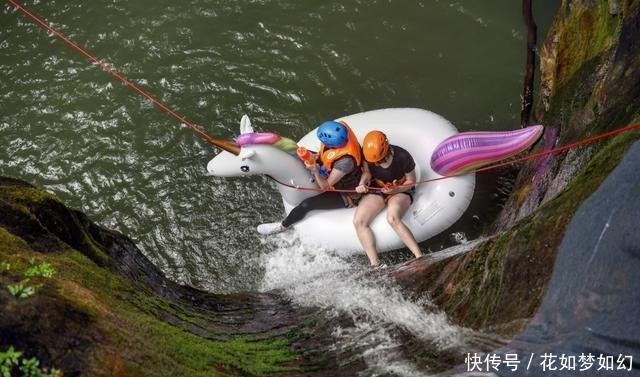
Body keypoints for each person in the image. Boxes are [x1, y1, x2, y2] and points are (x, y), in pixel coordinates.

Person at [257, 120, 366, 235]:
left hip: (346, 193)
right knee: (301, 155)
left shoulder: (345, 162)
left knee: (307, 205)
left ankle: (282, 226)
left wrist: (315, 170)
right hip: (333, 168)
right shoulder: (342, 132)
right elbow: (327, 155)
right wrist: (316, 157)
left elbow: (325, 186)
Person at [353, 130, 423, 267]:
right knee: (359, 221)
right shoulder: (368, 155)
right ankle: (375, 264)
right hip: (378, 188)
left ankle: (419, 256)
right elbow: (367, 172)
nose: (377, 164)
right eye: (375, 162)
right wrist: (362, 183)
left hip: (400, 188)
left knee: (392, 218)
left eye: (379, 160)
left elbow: (411, 181)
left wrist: (396, 189)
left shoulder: (402, 156)